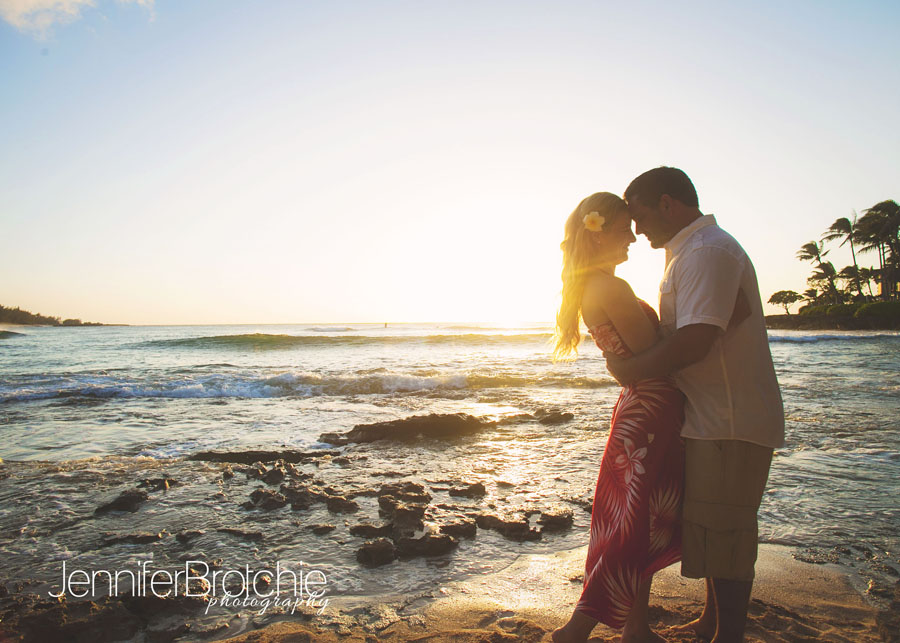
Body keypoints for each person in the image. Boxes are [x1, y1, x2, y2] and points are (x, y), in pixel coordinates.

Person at [605, 167, 785, 643]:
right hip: (711, 416)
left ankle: (729, 636)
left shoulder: (706, 251)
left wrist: (630, 370)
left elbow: (697, 340)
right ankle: (712, 623)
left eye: (640, 215)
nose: (637, 229)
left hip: (730, 418)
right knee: (711, 524)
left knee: (725, 531)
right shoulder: (690, 252)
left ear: (668, 204)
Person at [551, 192, 686, 643]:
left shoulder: (594, 284)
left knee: (637, 519)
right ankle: (577, 628)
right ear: (600, 230)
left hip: (640, 407)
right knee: (632, 525)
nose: (632, 237)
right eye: (625, 227)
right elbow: (656, 355)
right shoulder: (610, 288)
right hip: (651, 410)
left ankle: (636, 628)